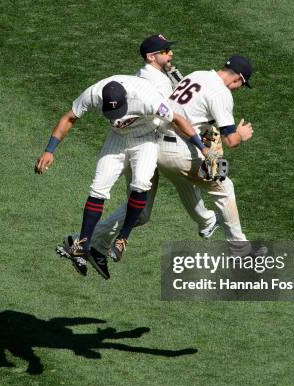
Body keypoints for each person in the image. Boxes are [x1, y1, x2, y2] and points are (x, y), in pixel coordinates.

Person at [63, 51, 261, 279]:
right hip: (179, 151)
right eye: (240, 85)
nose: (237, 88)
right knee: (225, 189)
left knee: (141, 210)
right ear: (237, 79)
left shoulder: (198, 75)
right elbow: (231, 140)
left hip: (151, 144)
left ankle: (84, 240)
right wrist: (243, 135)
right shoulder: (221, 94)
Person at [35, 72, 212, 275]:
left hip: (145, 138)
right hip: (117, 139)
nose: (117, 116)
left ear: (126, 99)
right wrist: (50, 150)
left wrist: (203, 149)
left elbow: (178, 120)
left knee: (141, 184)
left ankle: (122, 238)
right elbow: (69, 117)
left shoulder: (146, 99)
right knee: (98, 188)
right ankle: (81, 247)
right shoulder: (94, 93)